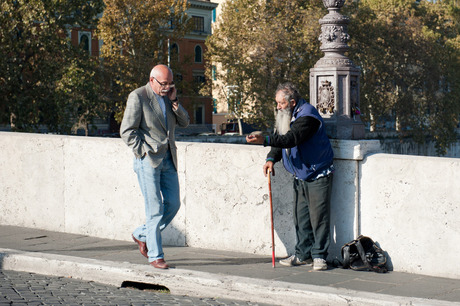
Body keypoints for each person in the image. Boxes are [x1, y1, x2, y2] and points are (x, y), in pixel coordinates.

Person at [246, 82, 334, 271]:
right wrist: (271, 158)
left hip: (317, 172)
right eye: (277, 103)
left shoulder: (307, 116)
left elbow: (291, 139)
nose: (278, 107)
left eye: (281, 103)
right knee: (300, 217)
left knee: (319, 217)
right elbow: (281, 137)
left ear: (292, 102)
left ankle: (319, 256)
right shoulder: (287, 115)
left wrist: (265, 140)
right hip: (299, 174)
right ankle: (303, 254)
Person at [120, 64, 190, 269]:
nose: (167, 87)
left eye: (171, 84)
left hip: (169, 158)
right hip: (148, 160)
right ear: (152, 80)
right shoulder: (138, 96)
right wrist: (142, 151)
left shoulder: (169, 97)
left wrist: (175, 100)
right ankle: (156, 256)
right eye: (164, 84)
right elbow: (126, 131)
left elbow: (185, 123)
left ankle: (141, 234)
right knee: (155, 209)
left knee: (174, 204)